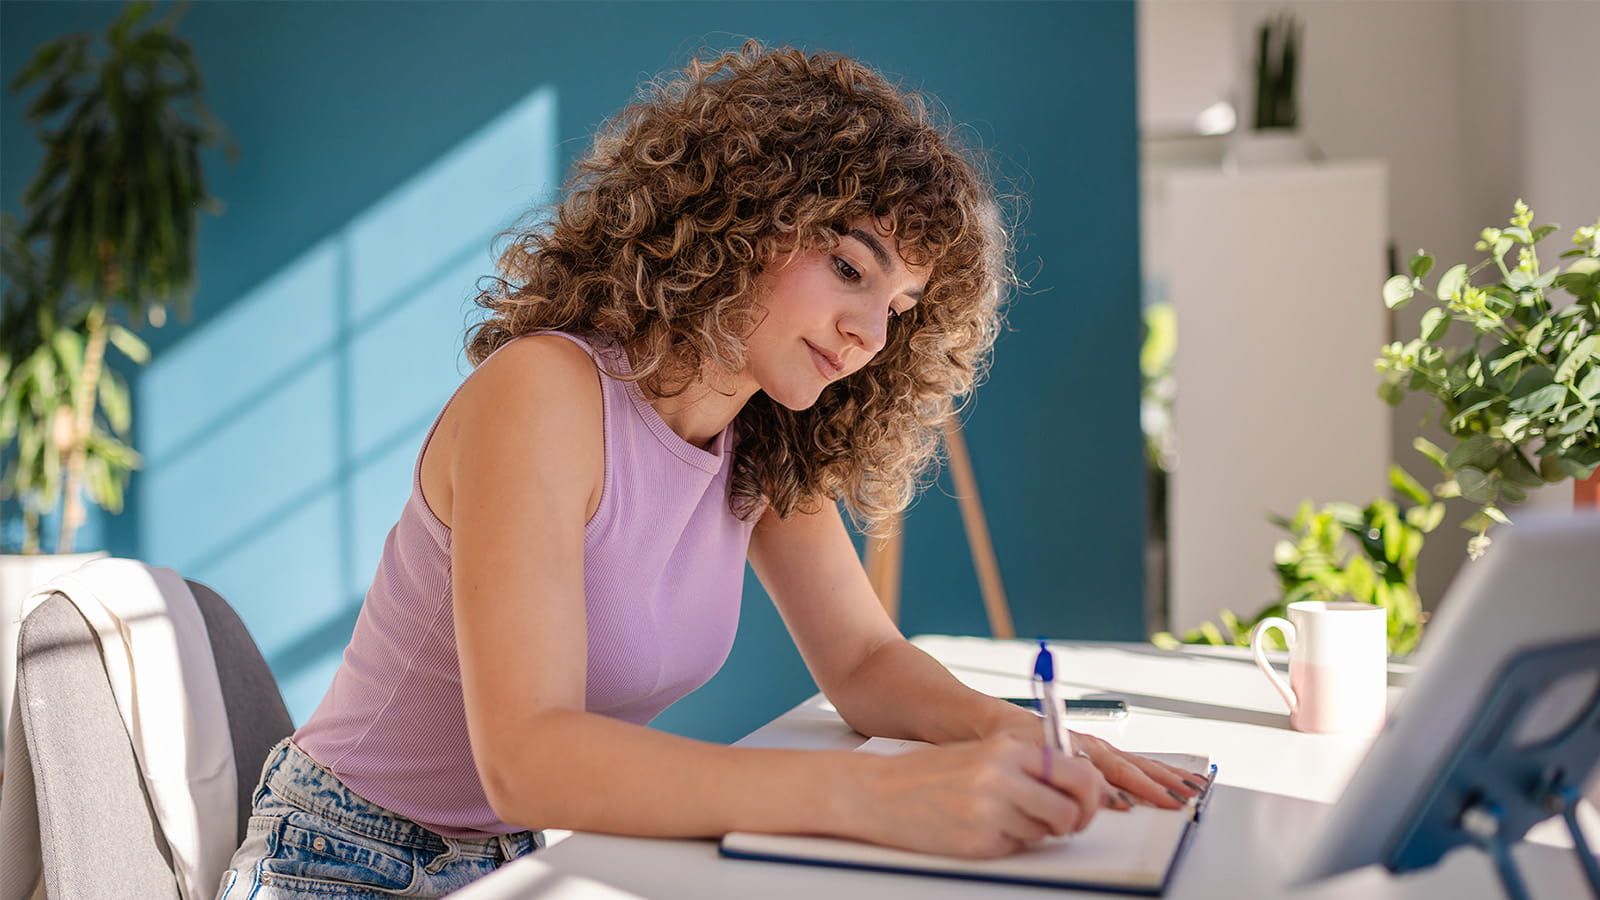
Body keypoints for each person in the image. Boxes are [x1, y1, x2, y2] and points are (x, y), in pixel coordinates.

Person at [217, 41, 1204, 899]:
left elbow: (862, 663)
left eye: (899, 307)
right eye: (851, 268)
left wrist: (1022, 740)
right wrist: (876, 797)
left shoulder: (760, 439)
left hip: (520, 862)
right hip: (339, 863)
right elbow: (526, 754)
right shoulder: (545, 393)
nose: (868, 332)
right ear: (743, 218)